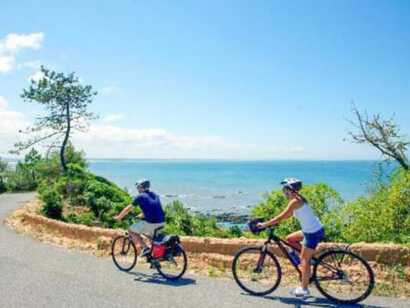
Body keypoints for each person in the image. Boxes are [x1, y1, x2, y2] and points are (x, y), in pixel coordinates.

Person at [257, 178, 325, 298]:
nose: (284, 193)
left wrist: (265, 224)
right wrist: (276, 222)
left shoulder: (294, 202)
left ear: (291, 190)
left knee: (304, 260)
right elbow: (287, 215)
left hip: (312, 233)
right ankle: (308, 262)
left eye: (285, 190)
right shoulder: (298, 199)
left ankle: (304, 288)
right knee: (290, 239)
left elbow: (280, 217)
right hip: (312, 229)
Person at [114, 179, 165, 257]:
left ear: (141, 187)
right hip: (161, 222)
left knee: (131, 230)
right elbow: (152, 208)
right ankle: (155, 259)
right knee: (151, 238)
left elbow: (128, 209)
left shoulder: (140, 196)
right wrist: (141, 215)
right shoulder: (154, 194)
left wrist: (119, 217)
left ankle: (145, 248)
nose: (137, 189)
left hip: (151, 224)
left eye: (138, 187)